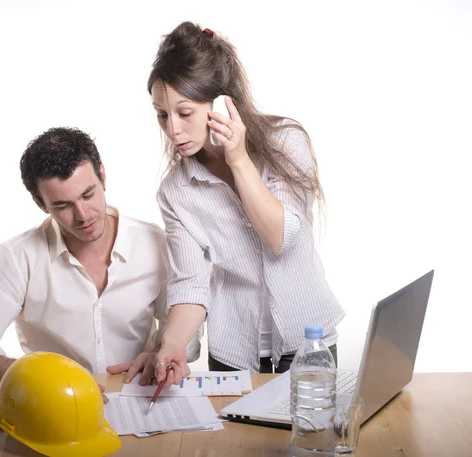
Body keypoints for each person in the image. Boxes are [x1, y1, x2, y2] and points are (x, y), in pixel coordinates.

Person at [122, 22, 345, 387]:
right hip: (235, 351)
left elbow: (282, 236)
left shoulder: (287, 143)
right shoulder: (175, 192)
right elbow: (191, 283)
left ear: (223, 104)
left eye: (184, 112)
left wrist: (239, 159)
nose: (172, 129)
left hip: (310, 340)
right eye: (162, 114)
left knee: (308, 437)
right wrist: (172, 345)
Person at [0, 127, 201, 389]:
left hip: (139, 395)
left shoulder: (155, 244)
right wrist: (41, 375)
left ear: (103, 176)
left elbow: (187, 332)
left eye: (88, 194)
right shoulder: (17, 258)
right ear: (40, 203)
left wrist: (164, 352)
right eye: (62, 205)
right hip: (55, 407)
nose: (83, 215)